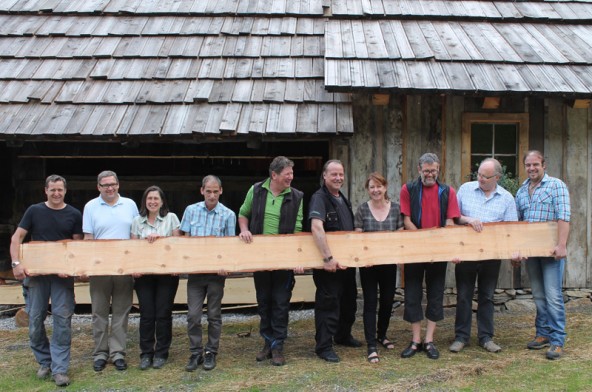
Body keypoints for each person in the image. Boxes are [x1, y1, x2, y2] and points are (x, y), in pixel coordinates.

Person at [9, 175, 83, 387]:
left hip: (61, 278)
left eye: (60, 190)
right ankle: (44, 362)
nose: (56, 194)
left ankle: (60, 369)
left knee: (61, 320)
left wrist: (69, 269)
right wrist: (16, 264)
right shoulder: (34, 211)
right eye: (52, 190)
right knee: (34, 321)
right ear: (46, 191)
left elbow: (76, 247)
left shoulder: (74, 214)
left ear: (65, 191)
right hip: (36, 276)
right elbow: (17, 238)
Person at [238, 156, 304, 366]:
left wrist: (296, 258)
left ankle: (278, 346)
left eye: (292, 174)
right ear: (274, 175)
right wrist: (244, 230)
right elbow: (243, 214)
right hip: (260, 258)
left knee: (281, 303)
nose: (291, 178)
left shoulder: (297, 196)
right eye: (287, 174)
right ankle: (267, 342)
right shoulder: (256, 190)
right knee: (264, 301)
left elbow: (298, 229)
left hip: (284, 259)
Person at [450, 158, 518, 354]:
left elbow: (511, 229)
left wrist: (513, 253)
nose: (480, 179)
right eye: (479, 174)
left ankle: (486, 337)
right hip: (466, 253)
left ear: (497, 177)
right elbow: (455, 217)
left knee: (487, 296)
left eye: (485, 177)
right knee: (463, 295)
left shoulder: (506, 198)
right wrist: (469, 219)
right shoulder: (465, 189)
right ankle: (461, 337)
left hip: (491, 255)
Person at [399, 152, 460, 360]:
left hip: (439, 249)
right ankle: (415, 340)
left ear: (438, 169)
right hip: (415, 250)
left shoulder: (448, 191)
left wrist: (439, 243)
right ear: (419, 170)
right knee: (412, 295)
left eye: (434, 170)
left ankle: (429, 340)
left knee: (435, 294)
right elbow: (407, 220)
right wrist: (422, 241)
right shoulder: (408, 189)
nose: (430, 174)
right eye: (426, 171)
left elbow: (450, 222)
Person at [513, 150, 570, 360]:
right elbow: (518, 224)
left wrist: (562, 245)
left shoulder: (556, 185)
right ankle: (543, 333)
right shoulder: (521, 191)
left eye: (535, 164)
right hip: (531, 252)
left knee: (553, 296)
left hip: (551, 251)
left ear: (544, 165)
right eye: (528, 165)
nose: (531, 168)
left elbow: (564, 216)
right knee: (538, 295)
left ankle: (557, 340)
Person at [83, 170, 139, 372]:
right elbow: (88, 239)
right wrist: (88, 265)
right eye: (105, 185)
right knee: (99, 312)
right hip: (100, 268)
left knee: (121, 312)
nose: (110, 188)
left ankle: (117, 353)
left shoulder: (130, 205)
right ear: (98, 187)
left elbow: (135, 235)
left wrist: (134, 264)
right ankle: (100, 353)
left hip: (123, 267)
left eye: (113, 184)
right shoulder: (90, 206)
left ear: (118, 184)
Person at [181, 175, 236, 371]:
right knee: (193, 315)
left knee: (214, 314)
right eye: (208, 191)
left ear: (221, 191)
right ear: (202, 191)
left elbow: (230, 245)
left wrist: (226, 265)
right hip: (196, 273)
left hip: (215, 274)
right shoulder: (191, 210)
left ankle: (211, 351)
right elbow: (185, 240)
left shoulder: (228, 214)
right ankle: (195, 352)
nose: (212, 195)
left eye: (215, 191)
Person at [309, 159, 361, 363]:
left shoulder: (341, 198)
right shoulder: (319, 198)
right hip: (329, 265)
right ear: (324, 175)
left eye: (341, 174)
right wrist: (327, 258)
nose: (338, 178)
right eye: (334, 174)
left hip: (345, 264)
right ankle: (323, 346)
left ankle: (342, 335)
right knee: (328, 305)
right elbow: (316, 228)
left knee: (348, 302)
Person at [354, 172, 403, 363]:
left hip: (389, 264)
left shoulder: (396, 209)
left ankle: (382, 334)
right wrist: (363, 258)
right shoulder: (362, 210)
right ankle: (371, 345)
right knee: (370, 303)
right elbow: (358, 237)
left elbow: (400, 236)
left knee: (388, 300)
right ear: (368, 189)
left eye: (379, 186)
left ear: (385, 187)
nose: (376, 190)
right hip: (369, 265)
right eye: (372, 187)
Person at [131, 186, 182, 370]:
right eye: (149, 198)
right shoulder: (137, 221)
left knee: (163, 314)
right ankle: (146, 354)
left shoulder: (172, 219)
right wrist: (134, 268)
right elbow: (133, 247)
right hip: (144, 274)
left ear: (162, 201)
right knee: (146, 315)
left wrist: (161, 240)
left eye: (156, 198)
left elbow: (177, 245)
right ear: (145, 201)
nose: (152, 201)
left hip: (166, 274)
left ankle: (161, 352)